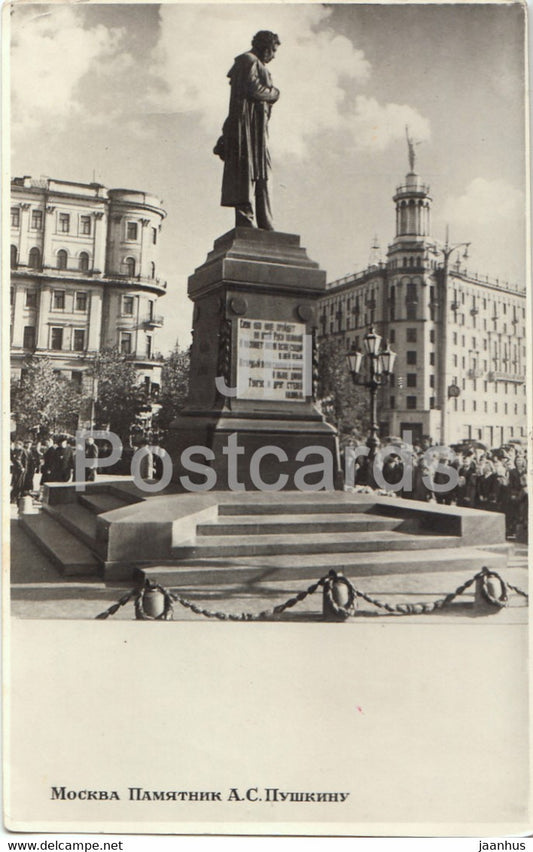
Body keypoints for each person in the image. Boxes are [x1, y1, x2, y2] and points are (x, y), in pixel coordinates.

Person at [214, 30, 281, 230]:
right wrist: (275, 93)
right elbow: (254, 89)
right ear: (265, 46)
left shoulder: (252, 62)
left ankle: (264, 222)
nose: (274, 55)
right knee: (247, 174)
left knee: (259, 174)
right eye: (273, 50)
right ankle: (248, 221)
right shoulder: (249, 60)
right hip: (247, 130)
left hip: (256, 130)